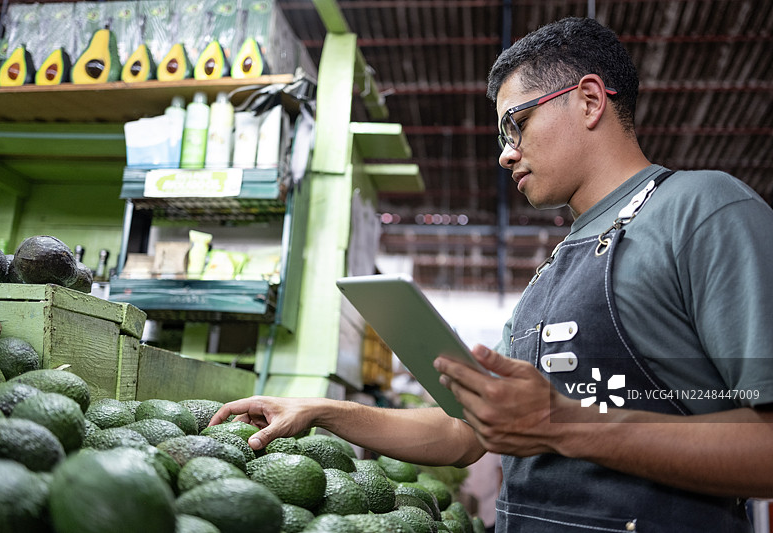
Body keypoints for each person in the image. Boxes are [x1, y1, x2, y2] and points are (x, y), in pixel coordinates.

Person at [210, 17, 773, 532]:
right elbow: (464, 433)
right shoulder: (553, 274)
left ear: (590, 100)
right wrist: (325, 412)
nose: (506, 154)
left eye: (517, 124)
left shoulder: (702, 211)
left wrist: (563, 425)